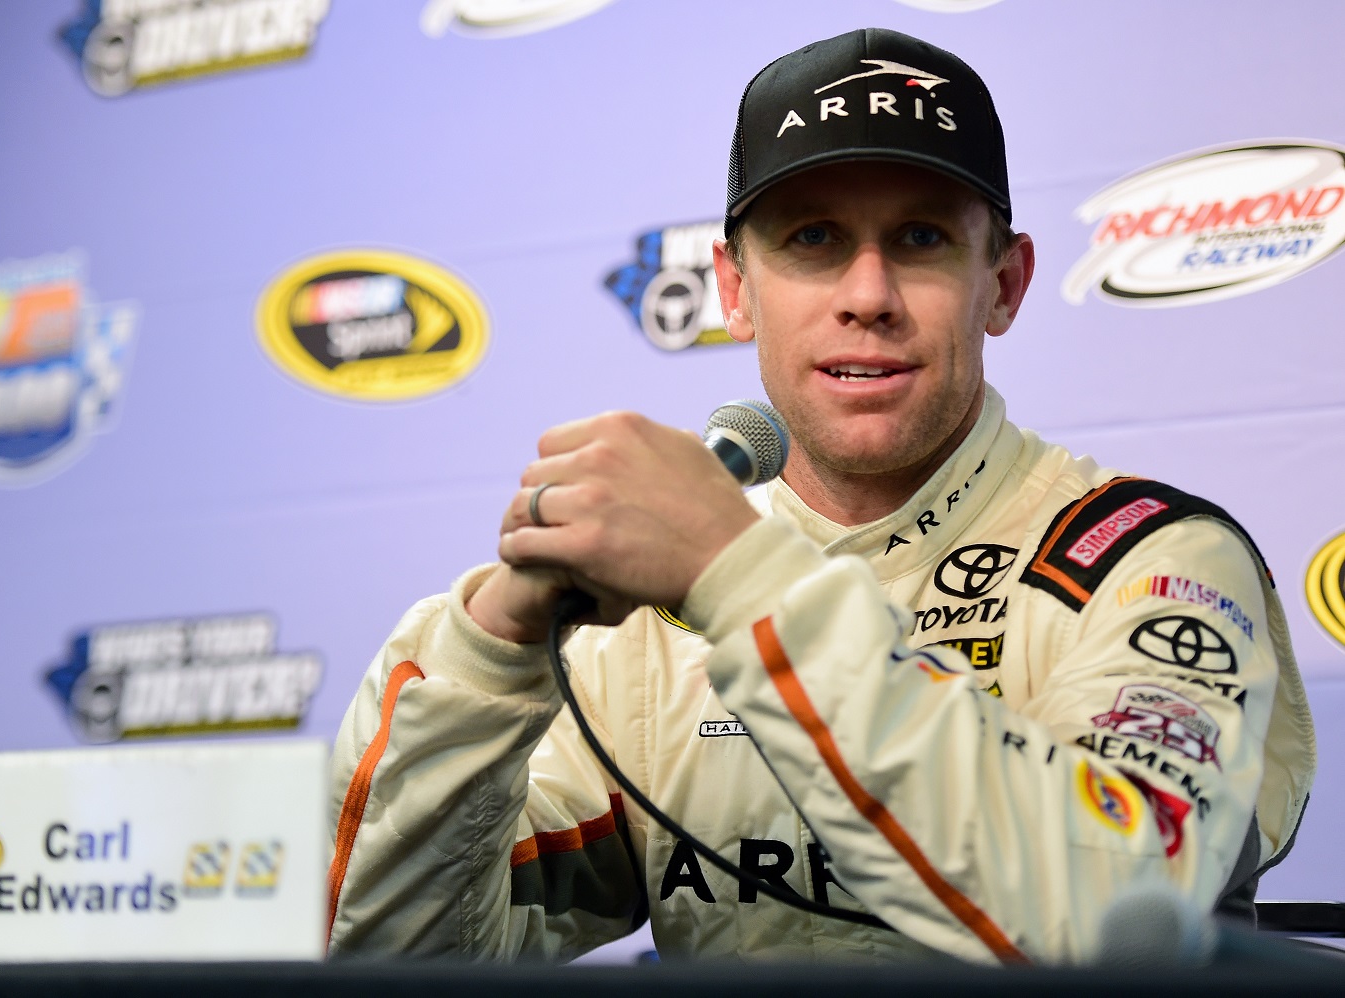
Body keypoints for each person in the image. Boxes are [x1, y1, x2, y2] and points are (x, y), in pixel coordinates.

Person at [324, 27, 1315, 964]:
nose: (868, 293)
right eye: (812, 239)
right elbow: (404, 955)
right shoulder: (639, 630)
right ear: (734, 288)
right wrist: (490, 647)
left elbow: (1122, 916)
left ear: (1003, 285)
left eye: (922, 237)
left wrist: (733, 571)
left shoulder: (1155, 560)